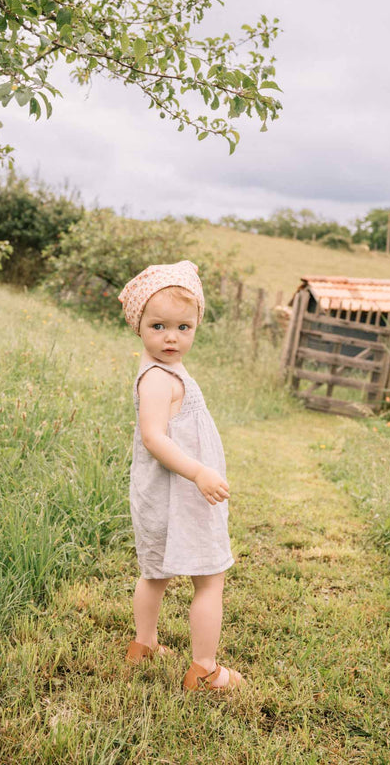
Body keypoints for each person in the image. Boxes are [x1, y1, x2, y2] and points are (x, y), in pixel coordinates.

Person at [118, 260, 245, 692]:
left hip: (166, 496)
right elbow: (154, 438)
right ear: (139, 326)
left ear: (195, 327)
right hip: (181, 495)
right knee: (210, 581)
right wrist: (198, 471)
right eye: (158, 325)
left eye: (183, 327)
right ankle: (206, 670)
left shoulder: (166, 369)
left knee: (155, 572)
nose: (171, 337)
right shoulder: (156, 379)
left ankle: (145, 644)